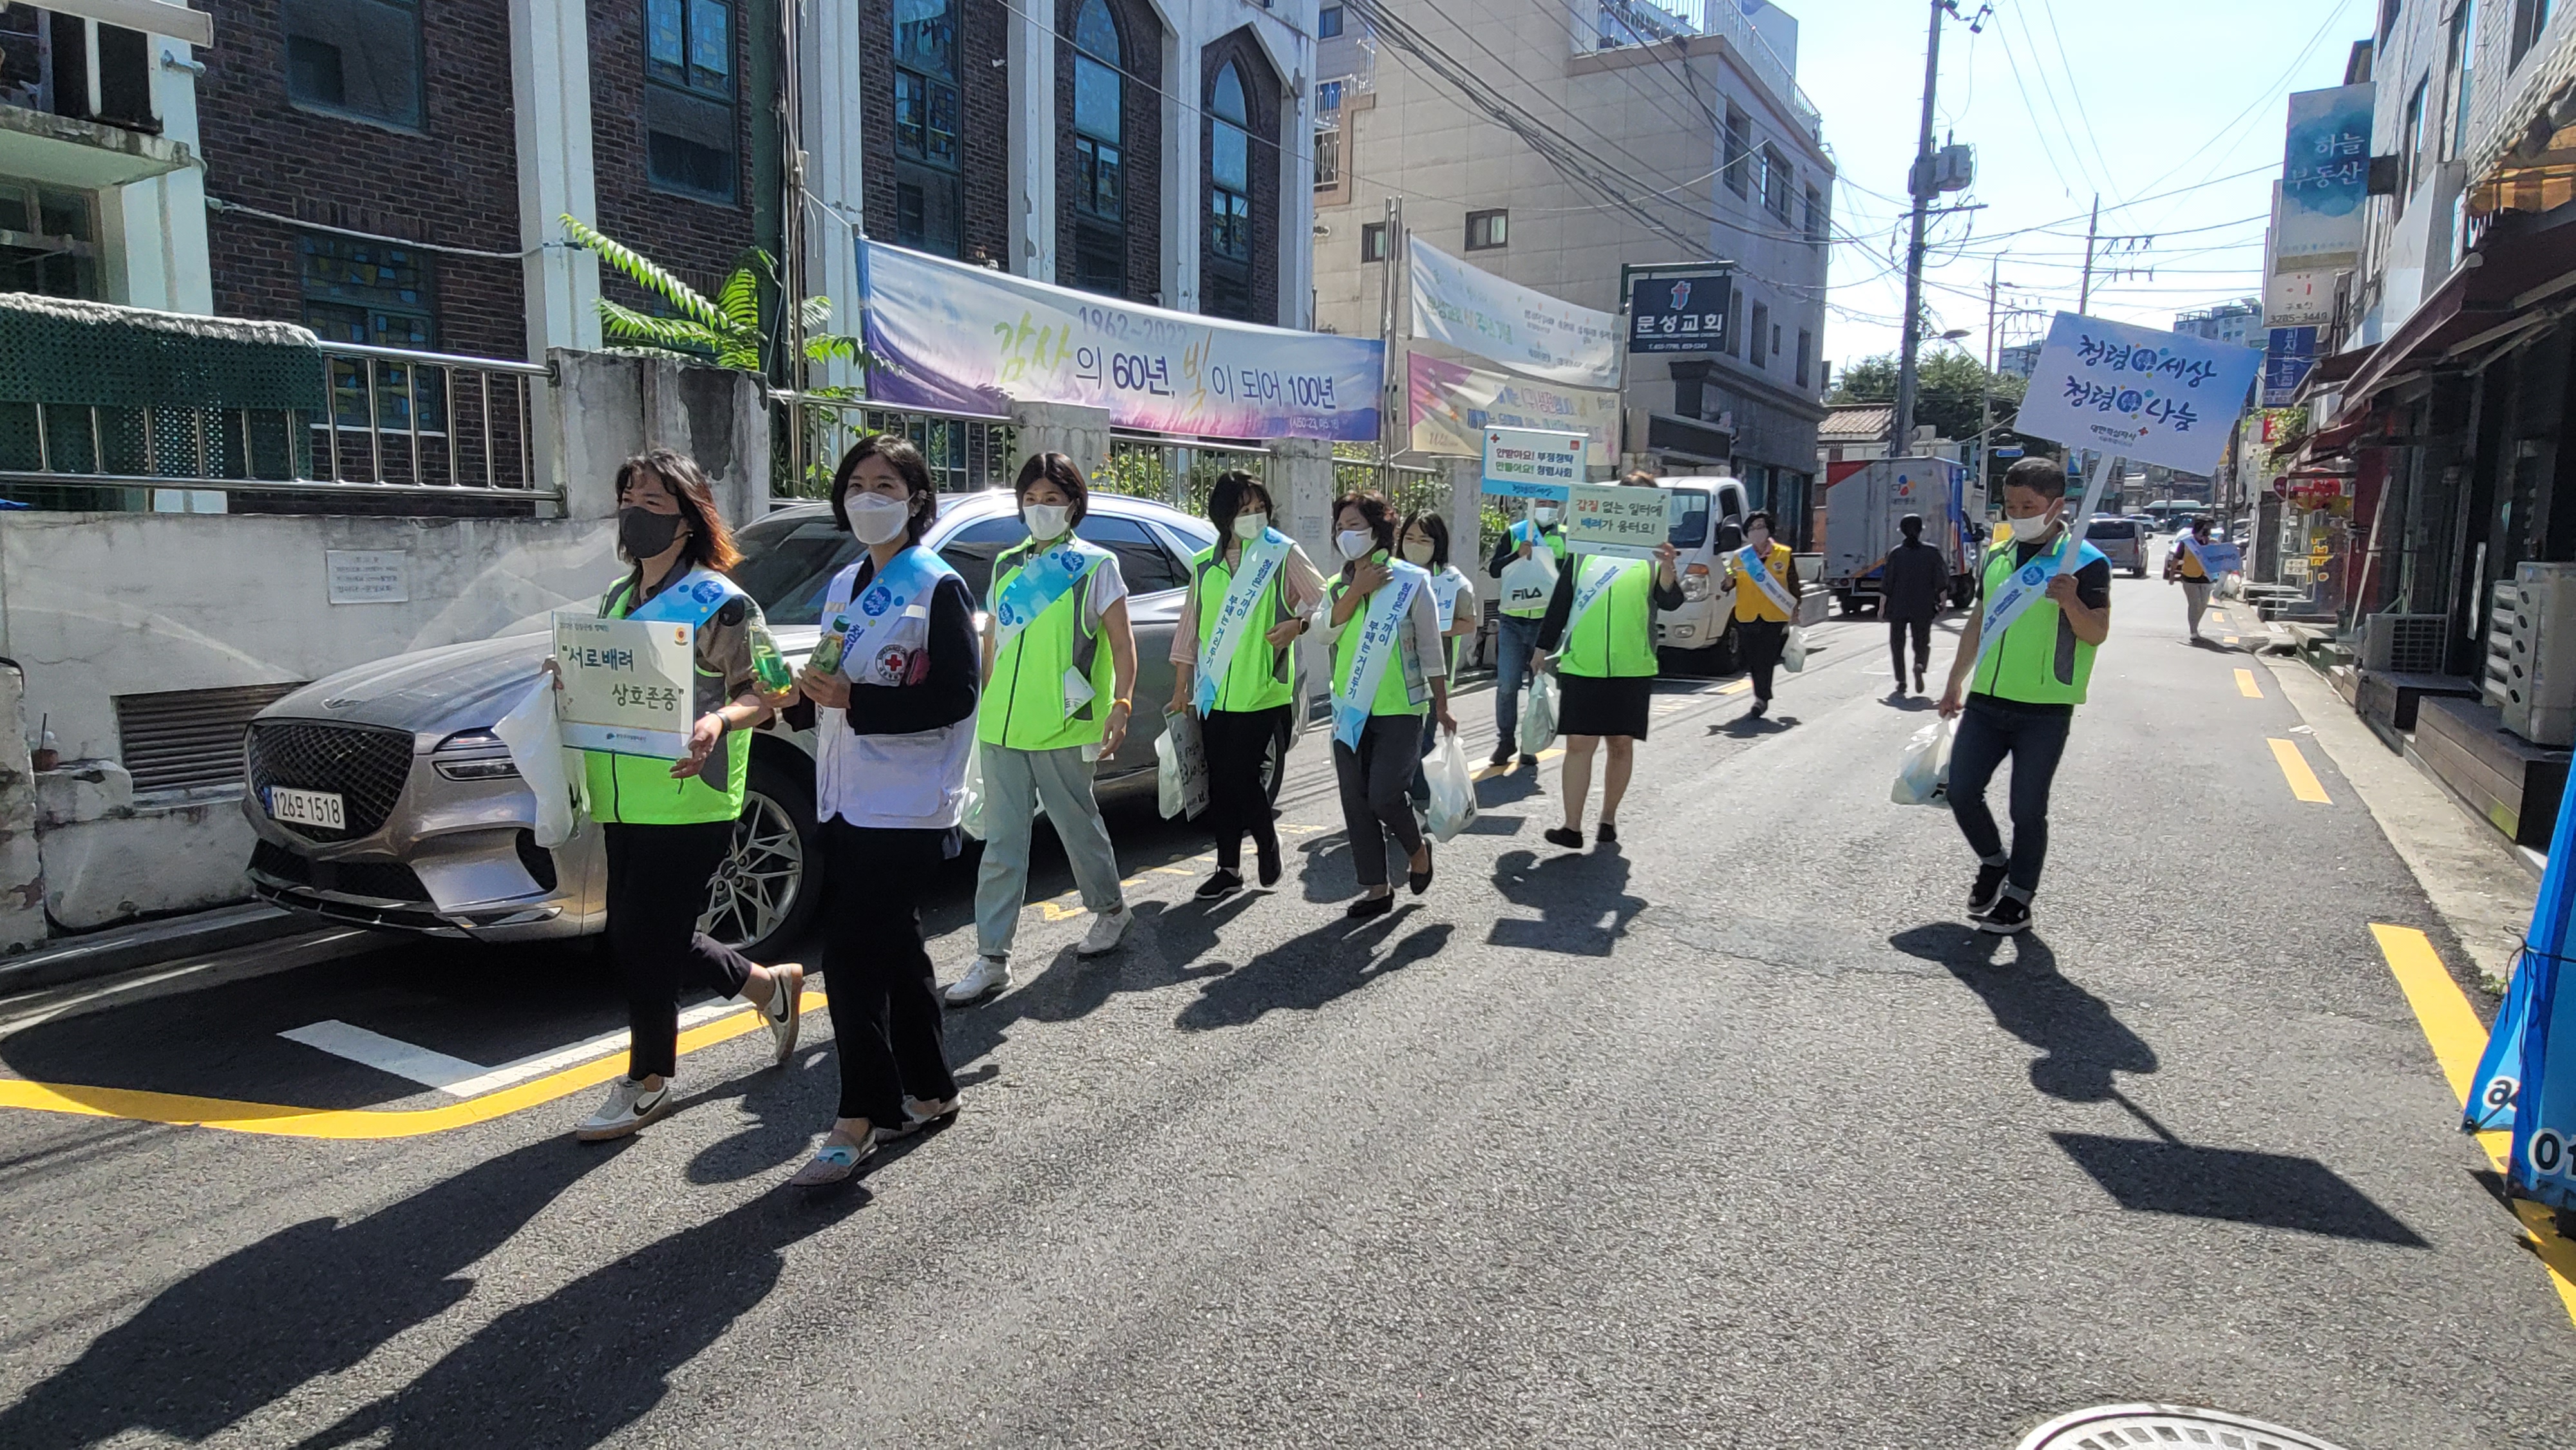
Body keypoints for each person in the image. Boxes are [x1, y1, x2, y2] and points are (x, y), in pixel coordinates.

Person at [572, 449, 802, 1143]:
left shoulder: (722, 600)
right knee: (645, 931)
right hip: (623, 793)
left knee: (643, 937)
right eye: (628, 495)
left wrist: (719, 720)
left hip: (690, 795)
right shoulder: (617, 599)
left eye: (652, 499)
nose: (635, 511)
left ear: (687, 516)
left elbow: (772, 688)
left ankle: (648, 1080)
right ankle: (768, 987)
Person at [785, 435, 976, 1185]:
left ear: (916, 499)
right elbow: (832, 682)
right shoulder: (844, 586)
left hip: (907, 804)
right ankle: (929, 1090)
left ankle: (859, 1115)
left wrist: (857, 700)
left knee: (852, 959)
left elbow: (957, 693)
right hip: (846, 795)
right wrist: (795, 702)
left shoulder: (937, 585)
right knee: (895, 950)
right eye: (857, 483)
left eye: (886, 484)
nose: (869, 497)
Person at [945, 452, 1139, 1004]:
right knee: (1003, 845)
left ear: (1074, 505)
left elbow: (1121, 644)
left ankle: (1110, 911)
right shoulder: (1007, 564)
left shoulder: (1096, 565)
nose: (1040, 508)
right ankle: (992, 958)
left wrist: (1121, 703)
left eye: (1052, 499)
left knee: (1077, 826)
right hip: (1003, 725)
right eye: (1031, 499)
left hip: (1061, 722)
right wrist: (980, 705)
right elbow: (991, 642)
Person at [1935, 456, 2113, 936]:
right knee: (1962, 791)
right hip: (1988, 701)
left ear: (2057, 505)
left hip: (2045, 709)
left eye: (2029, 505)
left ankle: (2019, 897)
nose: (2018, 512)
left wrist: (2071, 600)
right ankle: (1994, 862)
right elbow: (1979, 621)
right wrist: (1955, 681)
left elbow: (2096, 634)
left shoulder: (2088, 563)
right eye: (2011, 504)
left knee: (2027, 808)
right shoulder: (1997, 556)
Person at [1167, 471, 1327, 899]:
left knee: (1242, 774)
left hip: (1264, 688)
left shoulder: (1280, 554)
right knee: (1220, 781)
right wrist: (1182, 685)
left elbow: (1320, 598)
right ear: (1224, 516)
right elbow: (1190, 628)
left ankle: (1266, 838)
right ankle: (1228, 868)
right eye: (1243, 510)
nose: (1254, 517)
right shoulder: (1204, 565)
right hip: (1214, 691)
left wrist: (1298, 625)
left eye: (1260, 509)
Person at [1325, 491, 1455, 918]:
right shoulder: (1336, 586)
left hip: (1401, 708)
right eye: (1341, 528)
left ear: (1378, 529)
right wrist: (1356, 590)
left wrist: (1441, 703)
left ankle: (1418, 851)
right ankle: (1377, 889)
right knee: (1356, 800)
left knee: (1384, 794)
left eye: (1355, 526)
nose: (1347, 535)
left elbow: (1432, 648)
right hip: (1350, 708)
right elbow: (1325, 634)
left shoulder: (1411, 581)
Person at [1534, 480, 1683, 849]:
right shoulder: (1585, 549)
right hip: (1582, 663)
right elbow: (1562, 600)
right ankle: (1571, 826)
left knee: (1620, 744)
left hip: (1632, 665)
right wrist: (1542, 647)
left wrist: (1667, 569)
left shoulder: (1655, 555)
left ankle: (1608, 818)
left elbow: (1671, 603)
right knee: (1578, 745)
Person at [1402, 509, 1478, 812]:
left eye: (1424, 539)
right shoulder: (1389, 574)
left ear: (1438, 544)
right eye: (1409, 538)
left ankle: (1416, 800)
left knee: (1421, 740)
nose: (1415, 545)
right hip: (1393, 676)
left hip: (1434, 676)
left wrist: (1432, 629)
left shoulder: (1452, 582)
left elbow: (1468, 622)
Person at [1486, 498, 1569, 767]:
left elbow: (1571, 578)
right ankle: (1505, 741)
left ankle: (1530, 744)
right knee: (1507, 685)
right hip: (1512, 619)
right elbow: (1494, 569)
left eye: (1551, 499)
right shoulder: (1515, 532)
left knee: (1538, 687)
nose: (1547, 504)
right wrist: (1516, 555)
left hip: (1545, 624)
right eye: (1542, 499)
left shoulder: (1567, 537)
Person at [1717, 509, 1800, 719]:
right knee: (1751, 659)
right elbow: (1728, 583)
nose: (1757, 531)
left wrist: (1796, 610)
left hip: (1773, 615)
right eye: (1752, 528)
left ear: (1769, 529)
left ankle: (1761, 698)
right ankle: (1762, 694)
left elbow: (1793, 585)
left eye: (1761, 526)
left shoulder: (1784, 553)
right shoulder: (1740, 557)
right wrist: (1727, 580)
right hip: (1746, 614)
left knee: (1766, 657)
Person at [1882, 512, 1949, 697]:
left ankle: (1901, 682)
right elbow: (1941, 581)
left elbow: (1887, 584)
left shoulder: (1896, 553)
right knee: (1922, 641)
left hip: (1898, 606)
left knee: (1897, 644)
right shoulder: (1932, 552)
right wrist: (1943, 603)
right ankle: (1920, 663)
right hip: (1923, 606)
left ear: (1902, 531)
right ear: (1921, 531)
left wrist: (1882, 608)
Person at [2166, 515, 2215, 639]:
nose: (2207, 531)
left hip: (2206, 578)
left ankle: (2195, 624)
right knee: (2195, 604)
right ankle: (2193, 631)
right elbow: (2176, 559)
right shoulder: (2187, 543)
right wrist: (2172, 576)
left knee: (2203, 604)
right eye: (2205, 528)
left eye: (2208, 529)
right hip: (2189, 577)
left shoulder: (2212, 543)